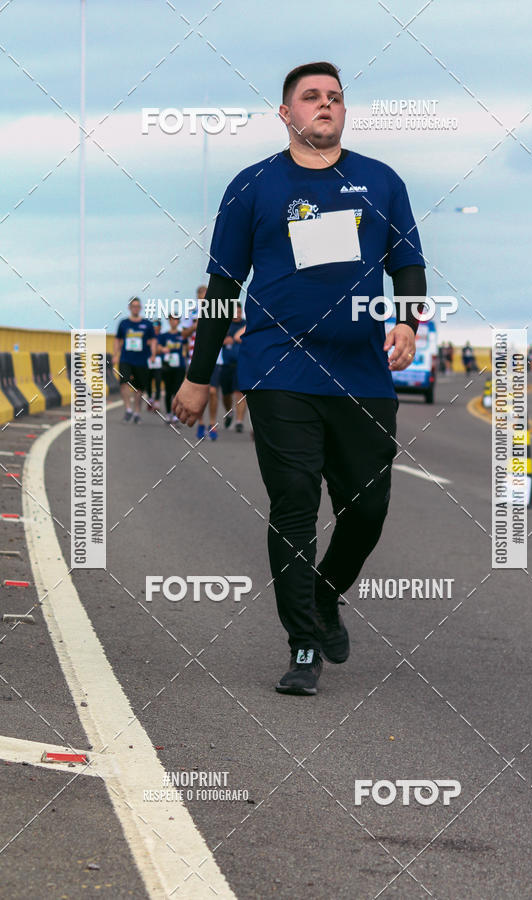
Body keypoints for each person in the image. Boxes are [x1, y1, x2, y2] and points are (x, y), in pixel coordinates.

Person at [173, 61, 426, 695]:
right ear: (286, 114)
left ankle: (322, 594)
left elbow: (410, 266)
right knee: (293, 504)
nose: (324, 105)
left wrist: (408, 323)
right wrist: (198, 378)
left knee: (366, 509)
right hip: (277, 368)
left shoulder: (381, 183)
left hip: (362, 374)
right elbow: (223, 290)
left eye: (334, 98)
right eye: (310, 97)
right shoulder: (252, 186)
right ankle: (304, 644)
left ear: (345, 112)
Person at [181, 284, 220, 440]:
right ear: (197, 296)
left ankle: (212, 423)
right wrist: (196, 325)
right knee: (198, 391)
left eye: (207, 294)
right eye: (202, 294)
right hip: (195, 356)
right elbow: (184, 333)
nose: (204, 296)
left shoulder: (217, 309)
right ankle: (201, 423)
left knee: (212, 391)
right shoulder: (191, 312)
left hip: (216, 357)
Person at [113, 297, 157, 423]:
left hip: (141, 360)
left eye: (138, 306)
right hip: (126, 358)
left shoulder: (147, 325)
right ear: (129, 308)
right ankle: (128, 409)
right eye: (133, 306)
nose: (135, 308)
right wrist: (115, 354)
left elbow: (153, 340)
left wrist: (153, 354)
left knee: (139, 388)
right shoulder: (124, 323)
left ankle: (137, 411)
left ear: (140, 308)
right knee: (124, 383)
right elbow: (118, 339)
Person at [220, 302, 247, 432]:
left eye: (239, 311)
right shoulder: (225, 324)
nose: (237, 314)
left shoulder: (246, 324)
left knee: (240, 393)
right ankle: (229, 412)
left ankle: (239, 422)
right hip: (226, 365)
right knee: (226, 394)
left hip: (242, 364)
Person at [157, 314, 188, 423]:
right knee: (168, 390)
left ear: (178, 322)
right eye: (171, 320)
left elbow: (186, 347)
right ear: (169, 321)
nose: (173, 322)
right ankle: (168, 413)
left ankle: (176, 414)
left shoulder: (182, 335)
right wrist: (163, 348)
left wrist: (185, 354)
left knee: (177, 390)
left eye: (176, 320)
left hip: (179, 366)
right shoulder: (164, 335)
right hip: (167, 366)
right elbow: (158, 346)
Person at [147, 319, 163, 411]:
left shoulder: (161, 336)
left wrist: (156, 347)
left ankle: (157, 401)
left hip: (158, 362)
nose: (155, 327)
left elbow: (162, 348)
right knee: (148, 382)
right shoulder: (149, 336)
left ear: (160, 327)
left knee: (158, 382)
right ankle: (150, 399)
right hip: (148, 362)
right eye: (154, 325)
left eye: (157, 325)